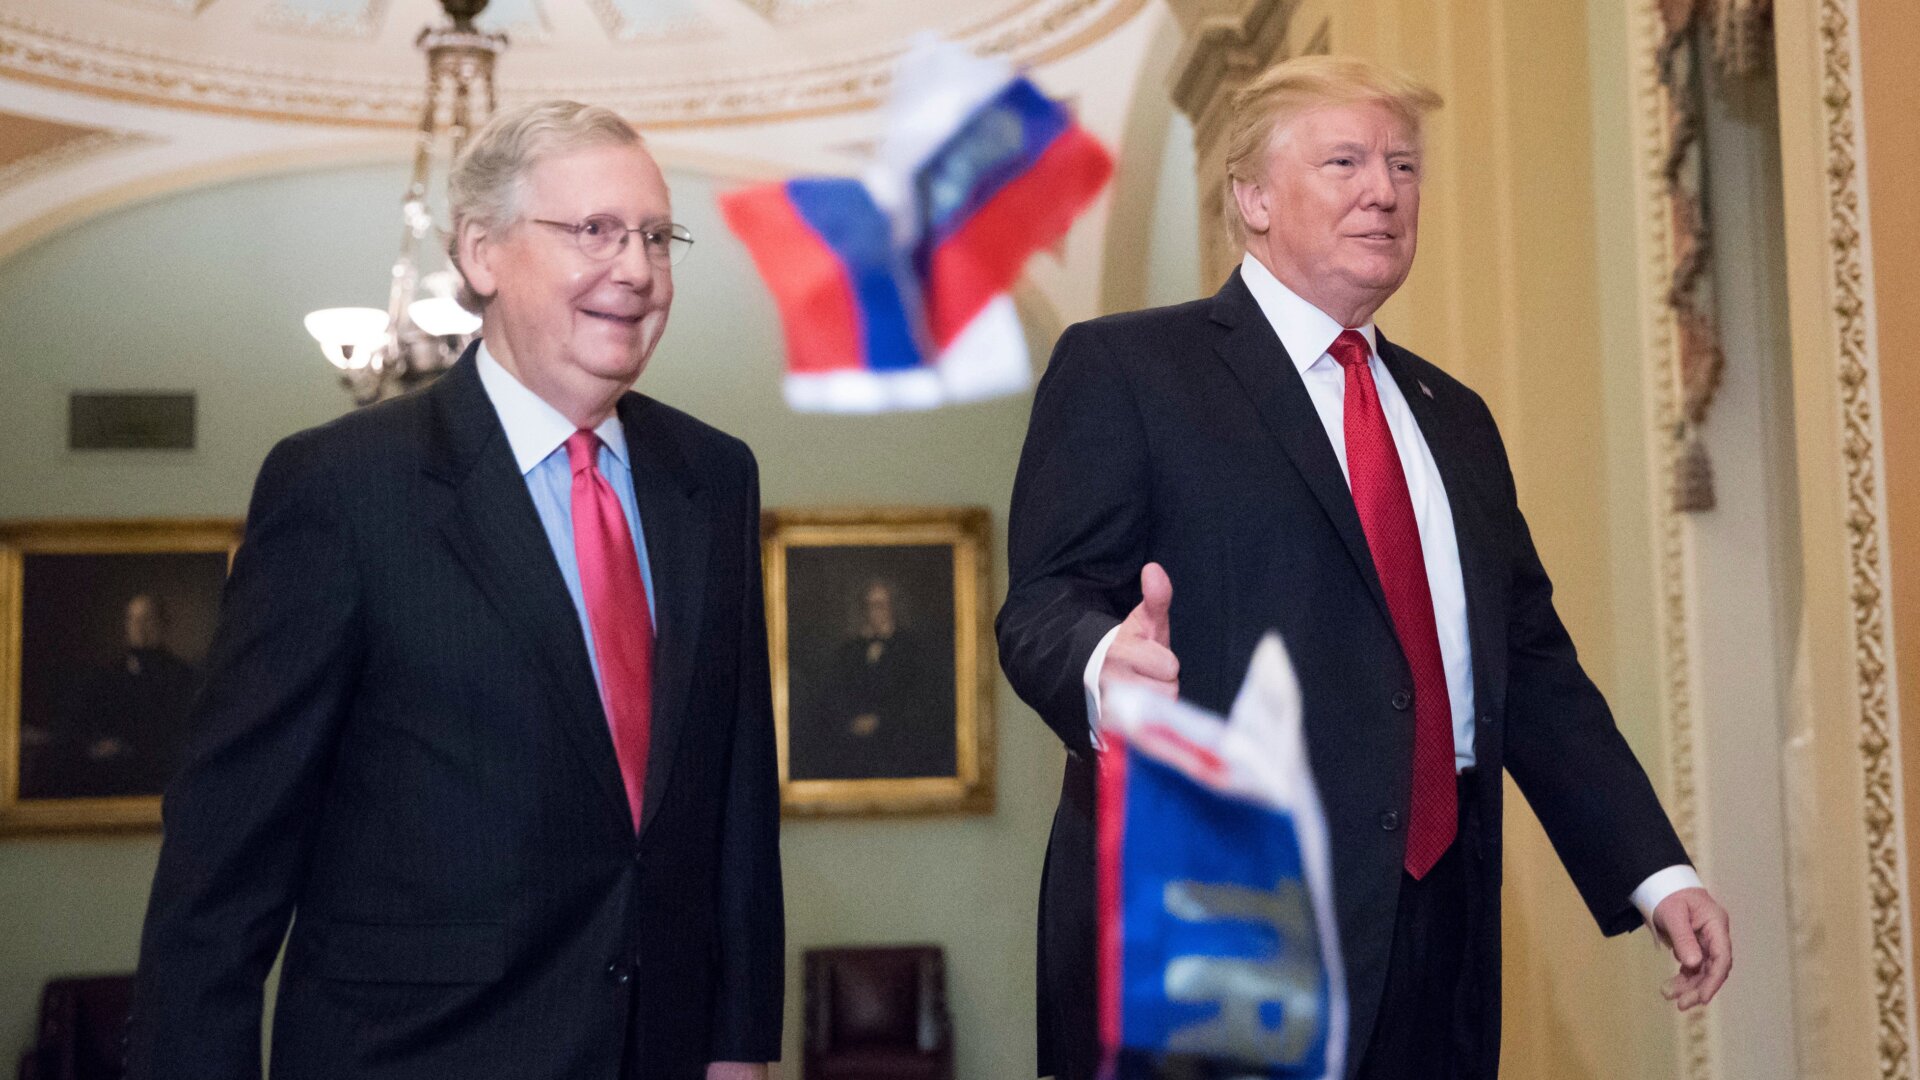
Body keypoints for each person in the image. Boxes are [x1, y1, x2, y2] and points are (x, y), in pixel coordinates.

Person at [996, 56, 1731, 1079]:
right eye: (1343, 160)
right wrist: (1099, 664)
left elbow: (1532, 668)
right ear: (1250, 198)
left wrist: (1653, 870)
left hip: (1438, 941)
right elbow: (1043, 602)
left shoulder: (1455, 419)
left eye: (1402, 165)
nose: (1383, 191)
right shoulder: (1128, 371)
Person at [129, 101, 782, 1080]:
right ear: (481, 254)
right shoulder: (342, 489)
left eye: (655, 236)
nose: (638, 269)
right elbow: (222, 865)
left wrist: (738, 1045)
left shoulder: (713, 477)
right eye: (595, 231)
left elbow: (735, 796)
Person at [791, 579, 951, 780]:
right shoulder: (849, 650)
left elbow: (918, 701)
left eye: (880, 604)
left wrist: (879, 721)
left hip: (898, 745)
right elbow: (834, 695)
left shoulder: (911, 649)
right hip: (853, 746)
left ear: (892, 607)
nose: (874, 611)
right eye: (869, 605)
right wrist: (852, 721)